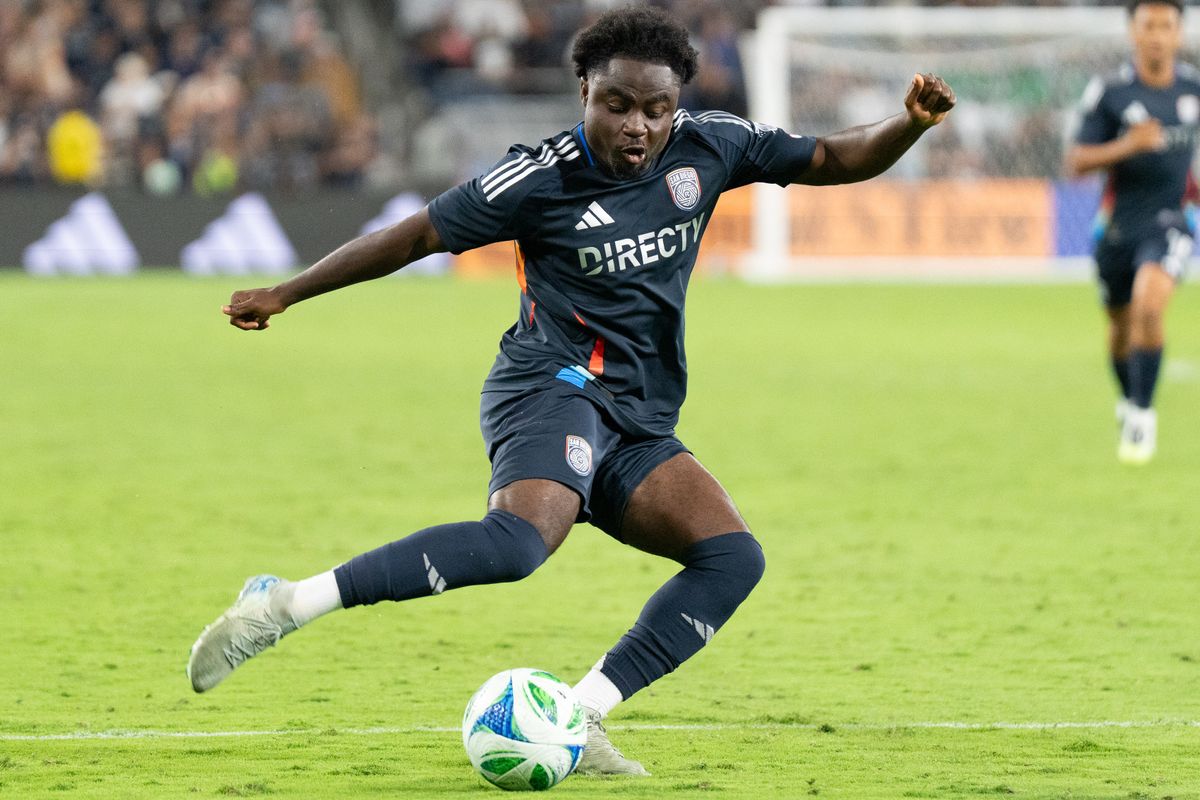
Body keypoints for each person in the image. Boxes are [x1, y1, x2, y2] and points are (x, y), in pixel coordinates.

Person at [187, 6, 954, 776]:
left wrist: (908, 124)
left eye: (656, 109)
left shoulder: (711, 145)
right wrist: (287, 293)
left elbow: (829, 155)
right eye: (616, 104)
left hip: (638, 414)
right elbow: (415, 235)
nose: (637, 126)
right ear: (584, 90)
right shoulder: (538, 177)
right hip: (547, 386)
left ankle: (581, 716)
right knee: (518, 545)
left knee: (732, 558)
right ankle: (283, 604)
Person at [1064, 0, 1198, 465]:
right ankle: (1128, 399)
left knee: (1149, 304)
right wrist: (1129, 144)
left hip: (1172, 221)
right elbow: (1076, 162)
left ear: (1179, 33)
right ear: (1133, 33)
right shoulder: (1109, 92)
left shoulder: (1194, 90)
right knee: (1121, 326)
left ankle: (1142, 415)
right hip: (1118, 227)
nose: (1158, 34)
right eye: (1149, 25)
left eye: (1167, 25)